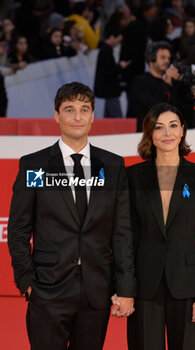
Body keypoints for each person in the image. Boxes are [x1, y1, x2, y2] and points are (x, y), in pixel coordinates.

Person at [8, 81, 136, 350]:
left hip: (96, 290)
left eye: (84, 109)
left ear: (93, 116)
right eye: (69, 109)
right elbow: (19, 228)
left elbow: (122, 232)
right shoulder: (35, 165)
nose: (77, 117)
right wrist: (27, 282)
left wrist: (125, 288)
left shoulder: (113, 166)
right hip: (47, 289)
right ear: (56, 116)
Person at [127, 103, 195, 350]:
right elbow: (126, 236)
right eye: (159, 127)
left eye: (173, 126)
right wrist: (123, 287)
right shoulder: (132, 176)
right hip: (144, 286)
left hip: (187, 285)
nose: (167, 133)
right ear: (150, 134)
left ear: (182, 131)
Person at [131, 41, 180, 131]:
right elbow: (152, 106)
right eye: (162, 57)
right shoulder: (140, 81)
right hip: (147, 133)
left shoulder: (168, 83)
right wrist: (167, 81)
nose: (167, 61)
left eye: (168, 58)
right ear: (151, 59)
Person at [94, 25, 128, 118]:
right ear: (112, 37)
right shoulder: (106, 51)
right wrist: (120, 66)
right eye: (118, 40)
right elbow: (109, 71)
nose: (118, 43)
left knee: (109, 117)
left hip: (108, 90)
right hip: (110, 90)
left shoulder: (105, 50)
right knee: (117, 117)